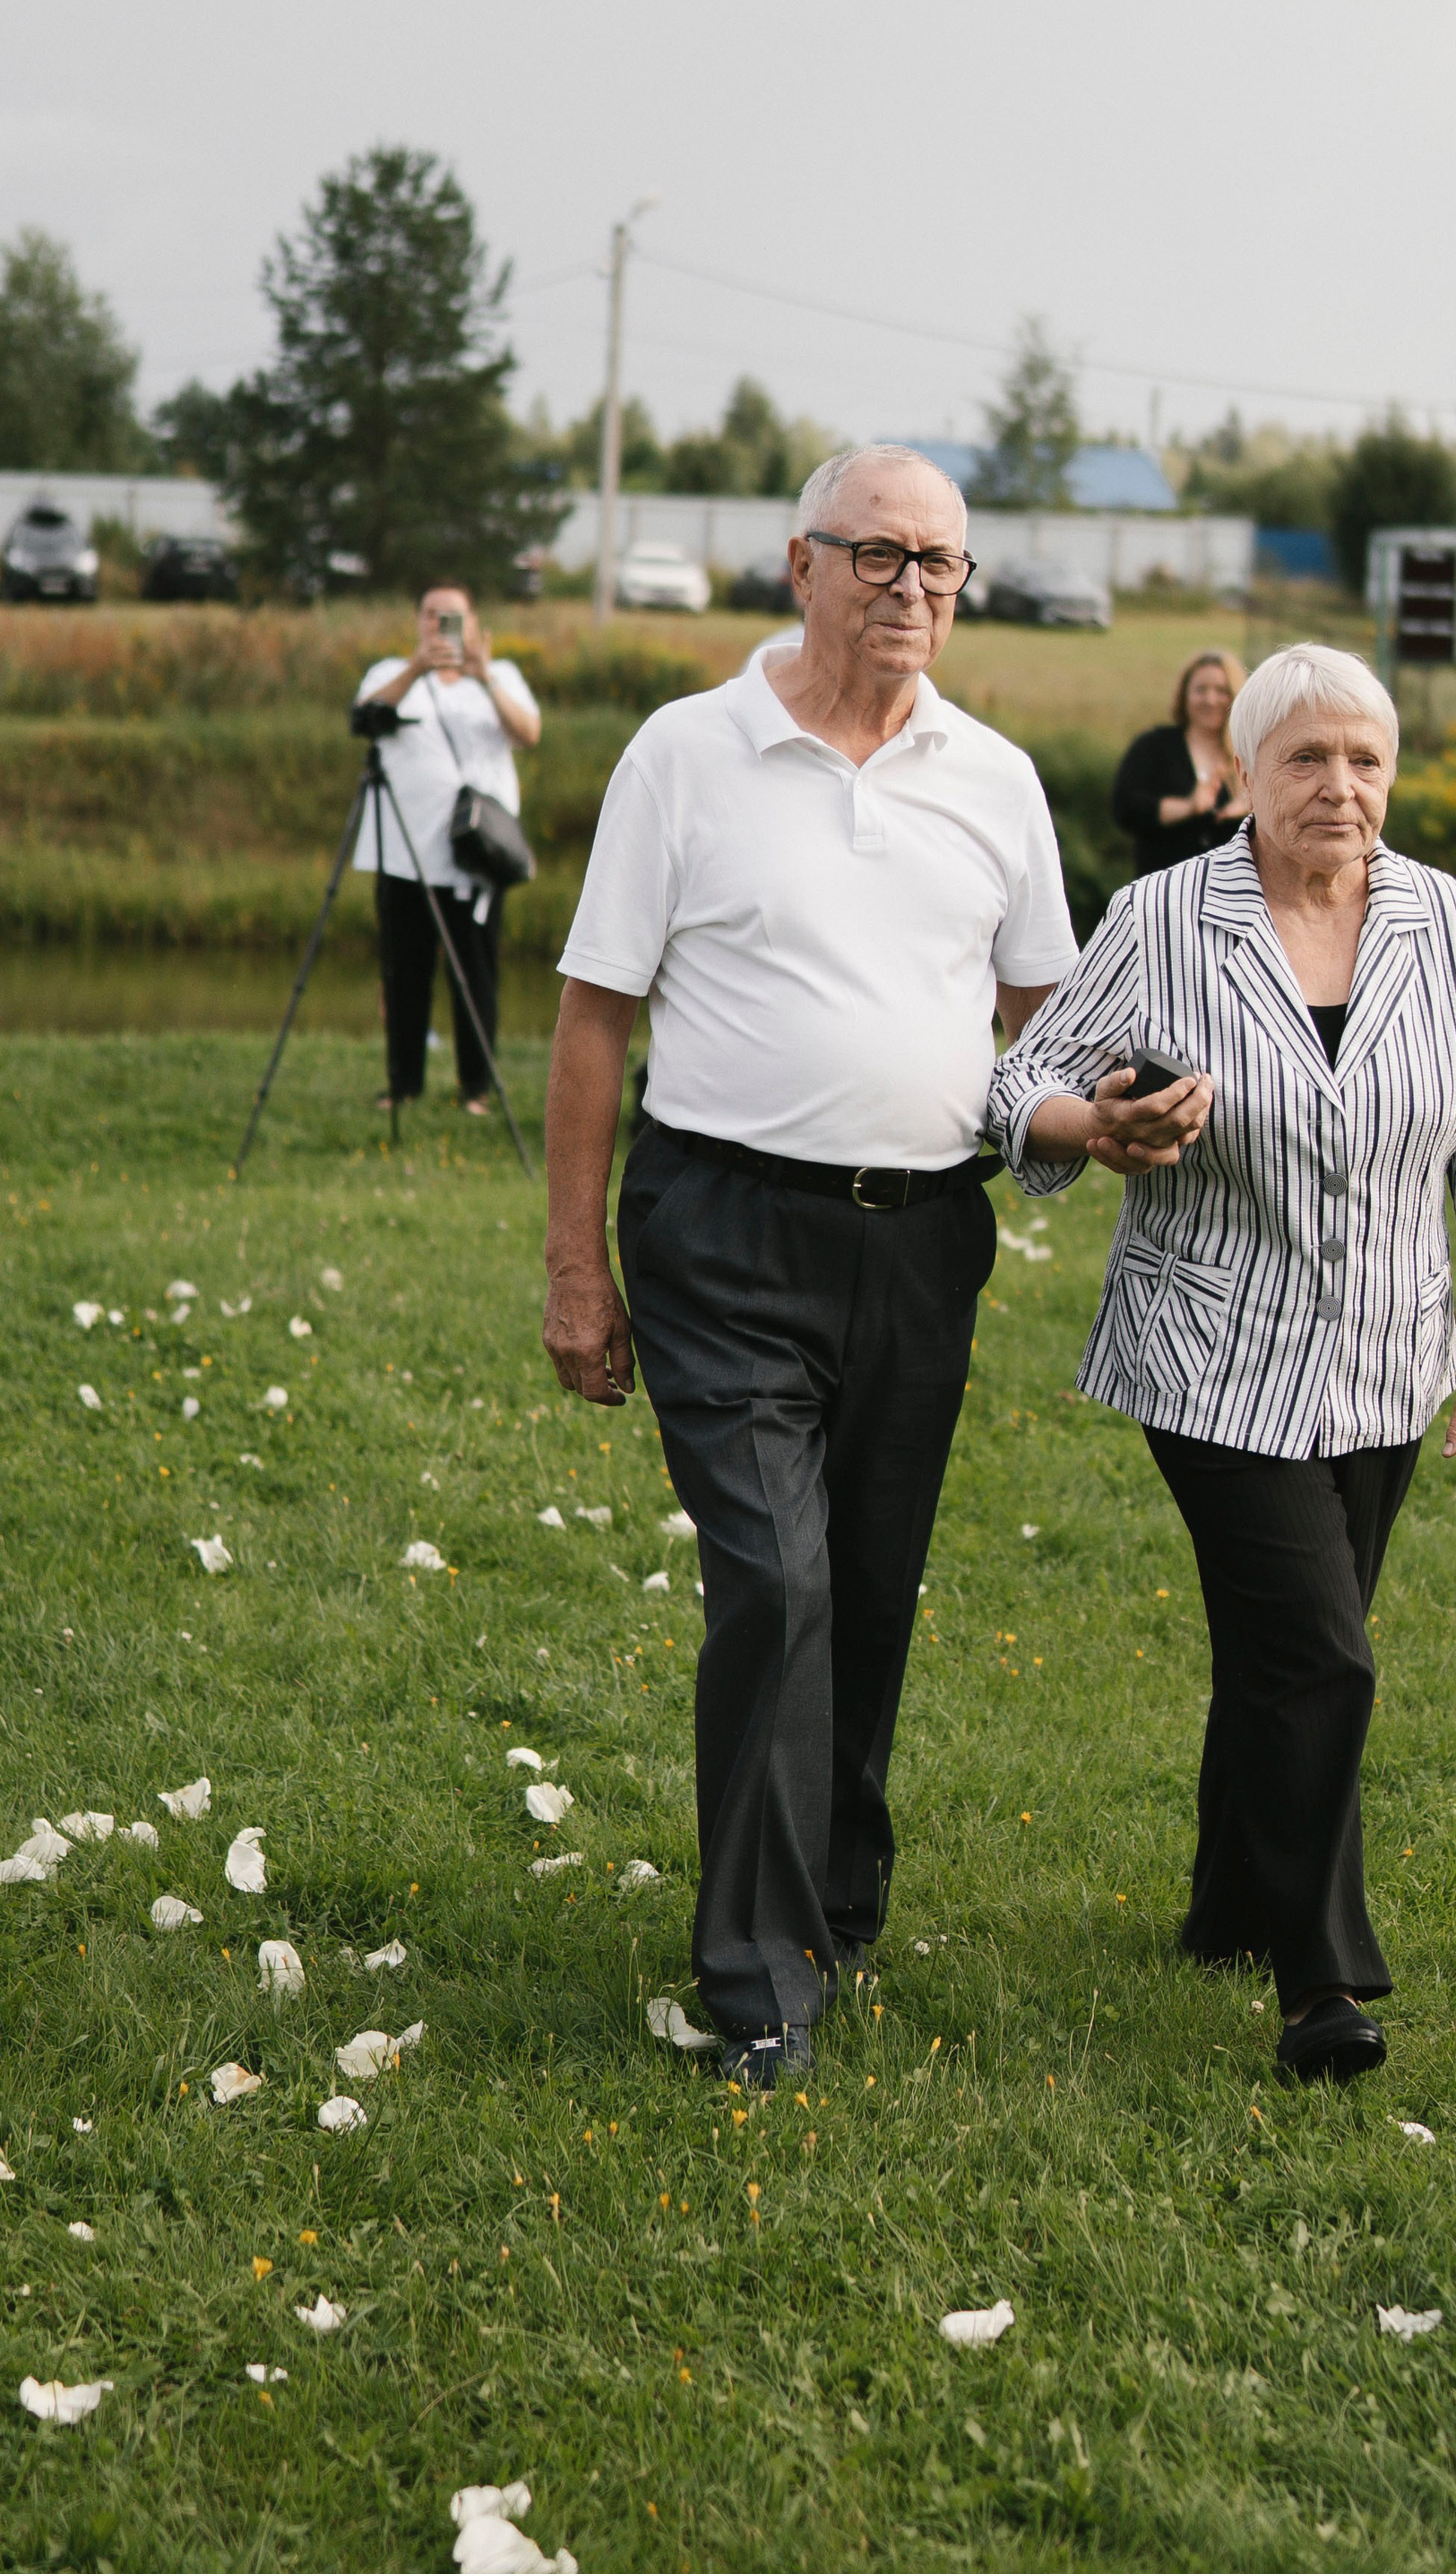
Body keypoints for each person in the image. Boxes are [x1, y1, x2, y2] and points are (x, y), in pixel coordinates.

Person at [542, 446, 1077, 2088]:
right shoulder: (685, 753)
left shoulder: (996, 778)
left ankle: (835, 1894)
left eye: (941, 562)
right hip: (723, 1227)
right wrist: (575, 1266)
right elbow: (594, 1015)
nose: (913, 587)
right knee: (778, 1579)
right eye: (880, 554)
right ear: (803, 564)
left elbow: (1046, 1022)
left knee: (869, 1582)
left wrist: (1098, 1116)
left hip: (922, 1240)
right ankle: (758, 1975)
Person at [986, 644, 1456, 2086]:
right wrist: (1098, 1127)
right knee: (1322, 1654)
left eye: (1366, 759)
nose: (1340, 786)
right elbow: (1019, 1079)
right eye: (1307, 758)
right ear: (1243, 772)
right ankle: (1320, 1983)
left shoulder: (1450, 922)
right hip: (1210, 1354)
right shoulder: (1166, 917)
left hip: (1387, 1357)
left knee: (1280, 1649)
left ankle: (1230, 1904)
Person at [354, 584, 541, 1117]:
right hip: (403, 855)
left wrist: (484, 677)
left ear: (474, 622)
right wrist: (416, 668)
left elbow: (529, 733)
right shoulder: (391, 673)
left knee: (476, 974)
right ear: (417, 621)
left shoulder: (501, 675)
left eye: (452, 617)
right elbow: (363, 718)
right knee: (404, 973)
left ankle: (475, 1089)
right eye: (431, 615)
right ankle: (402, 1085)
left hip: (473, 858)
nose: (440, 625)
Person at [1111, 647, 1247, 877]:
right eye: (1201, 690)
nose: (1210, 700)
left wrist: (1251, 809)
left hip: (1230, 887)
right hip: (1162, 887)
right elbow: (1125, 807)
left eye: (1221, 691)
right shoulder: (1154, 746)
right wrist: (1188, 807)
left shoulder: (1251, 755)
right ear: (1184, 695)